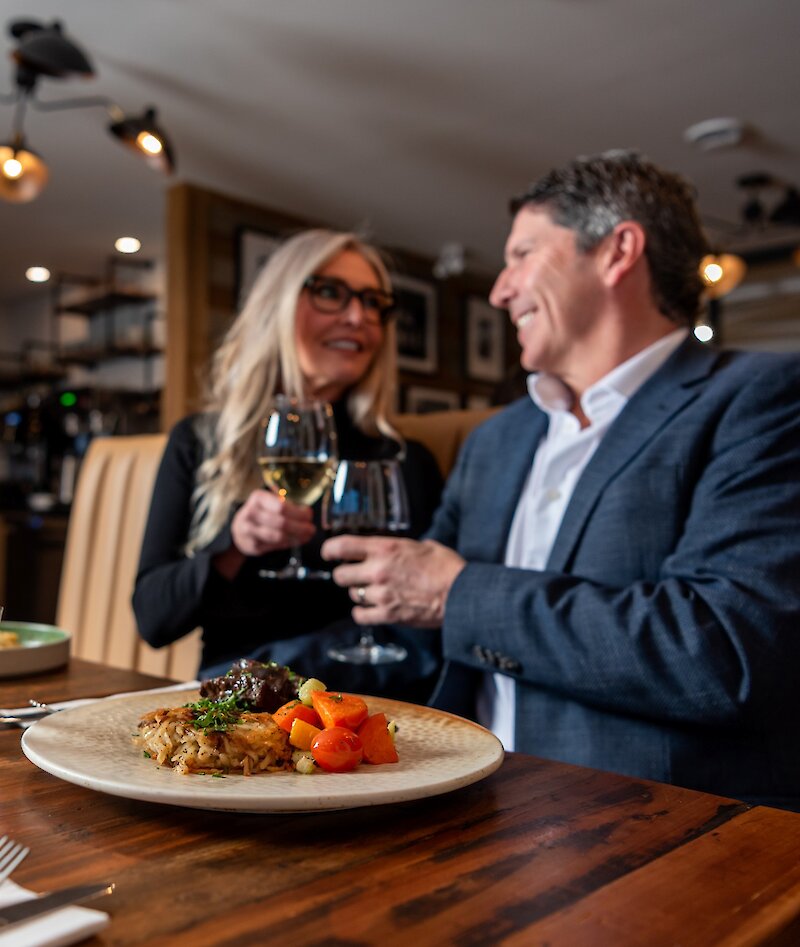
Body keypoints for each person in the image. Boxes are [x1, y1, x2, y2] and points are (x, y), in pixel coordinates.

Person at [322, 151, 800, 809]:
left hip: (646, 836)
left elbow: (723, 651)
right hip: (459, 806)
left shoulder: (762, 399)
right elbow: (414, 623)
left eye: (522, 254)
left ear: (616, 251)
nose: (499, 288)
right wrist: (259, 678)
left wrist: (460, 591)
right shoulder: (499, 438)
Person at [133, 229, 443, 699]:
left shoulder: (400, 461)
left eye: (373, 302)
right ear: (276, 306)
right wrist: (233, 544)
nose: (358, 316)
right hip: (231, 713)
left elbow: (424, 630)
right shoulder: (201, 441)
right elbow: (153, 619)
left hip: (355, 710)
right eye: (330, 293)